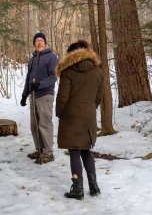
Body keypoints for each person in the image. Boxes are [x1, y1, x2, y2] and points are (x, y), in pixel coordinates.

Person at [55, 40, 104, 200]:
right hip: (89, 116)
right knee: (86, 150)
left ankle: (78, 189)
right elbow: (99, 97)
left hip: (71, 116)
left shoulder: (68, 71)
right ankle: (94, 186)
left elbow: (63, 97)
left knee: (75, 150)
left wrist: (60, 112)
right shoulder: (98, 71)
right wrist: (90, 108)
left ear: (72, 54)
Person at [20, 32, 58, 164]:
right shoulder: (32, 59)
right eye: (37, 40)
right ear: (34, 43)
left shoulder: (51, 57)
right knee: (34, 124)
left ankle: (48, 152)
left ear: (45, 43)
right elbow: (28, 79)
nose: (39, 42)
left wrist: (40, 85)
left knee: (44, 123)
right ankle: (40, 149)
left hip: (45, 94)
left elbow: (54, 76)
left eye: (41, 40)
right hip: (33, 95)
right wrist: (25, 95)